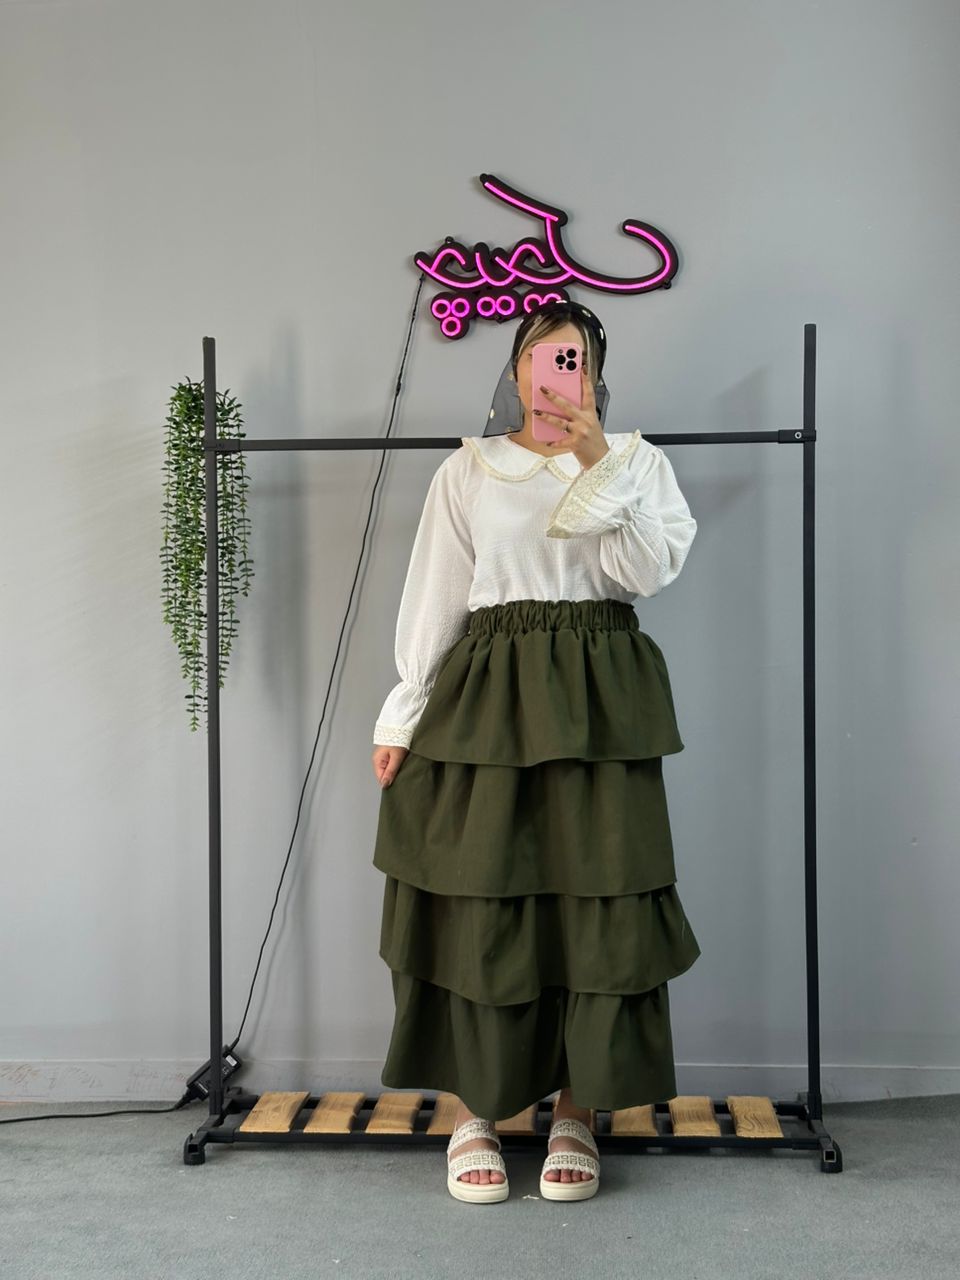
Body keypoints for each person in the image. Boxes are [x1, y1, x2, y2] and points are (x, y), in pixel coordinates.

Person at [370, 299, 702, 1204]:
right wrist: (403, 714)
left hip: (601, 705)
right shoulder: (469, 469)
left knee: (594, 904)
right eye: (544, 357)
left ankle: (575, 1112)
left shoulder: (635, 463)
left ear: (595, 373)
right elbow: (438, 593)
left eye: (576, 358)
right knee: (479, 896)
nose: (560, 373)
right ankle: (473, 1110)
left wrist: (599, 466)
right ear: (516, 371)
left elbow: (644, 575)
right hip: (488, 699)